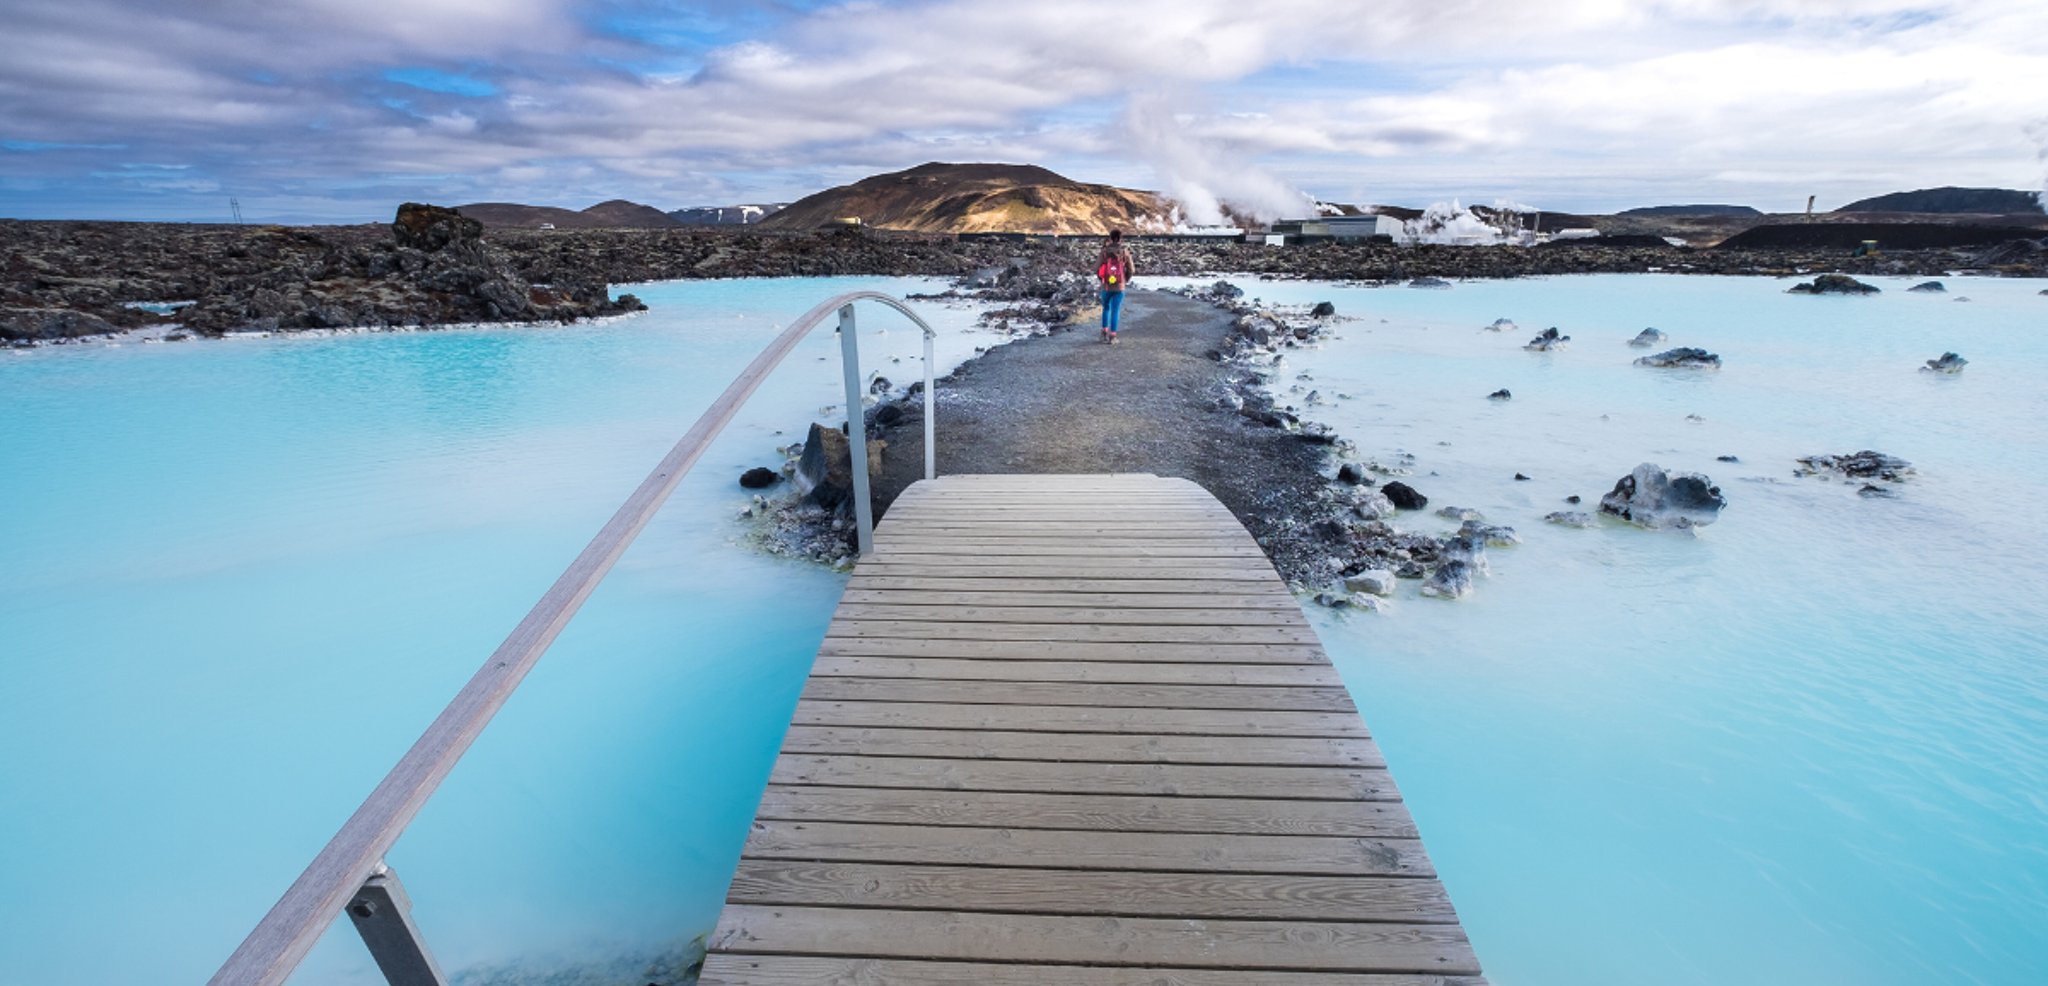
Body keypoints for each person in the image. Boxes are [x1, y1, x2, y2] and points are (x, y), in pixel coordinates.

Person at [1095, 229, 1135, 343]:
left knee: (1106, 308)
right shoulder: (1124, 252)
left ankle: (1103, 333)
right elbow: (1131, 269)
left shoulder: (1104, 252)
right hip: (1119, 286)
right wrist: (1124, 279)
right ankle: (1112, 336)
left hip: (1106, 286)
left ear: (1111, 238)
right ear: (1121, 239)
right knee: (1115, 310)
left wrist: (1102, 279)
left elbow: (1096, 269)